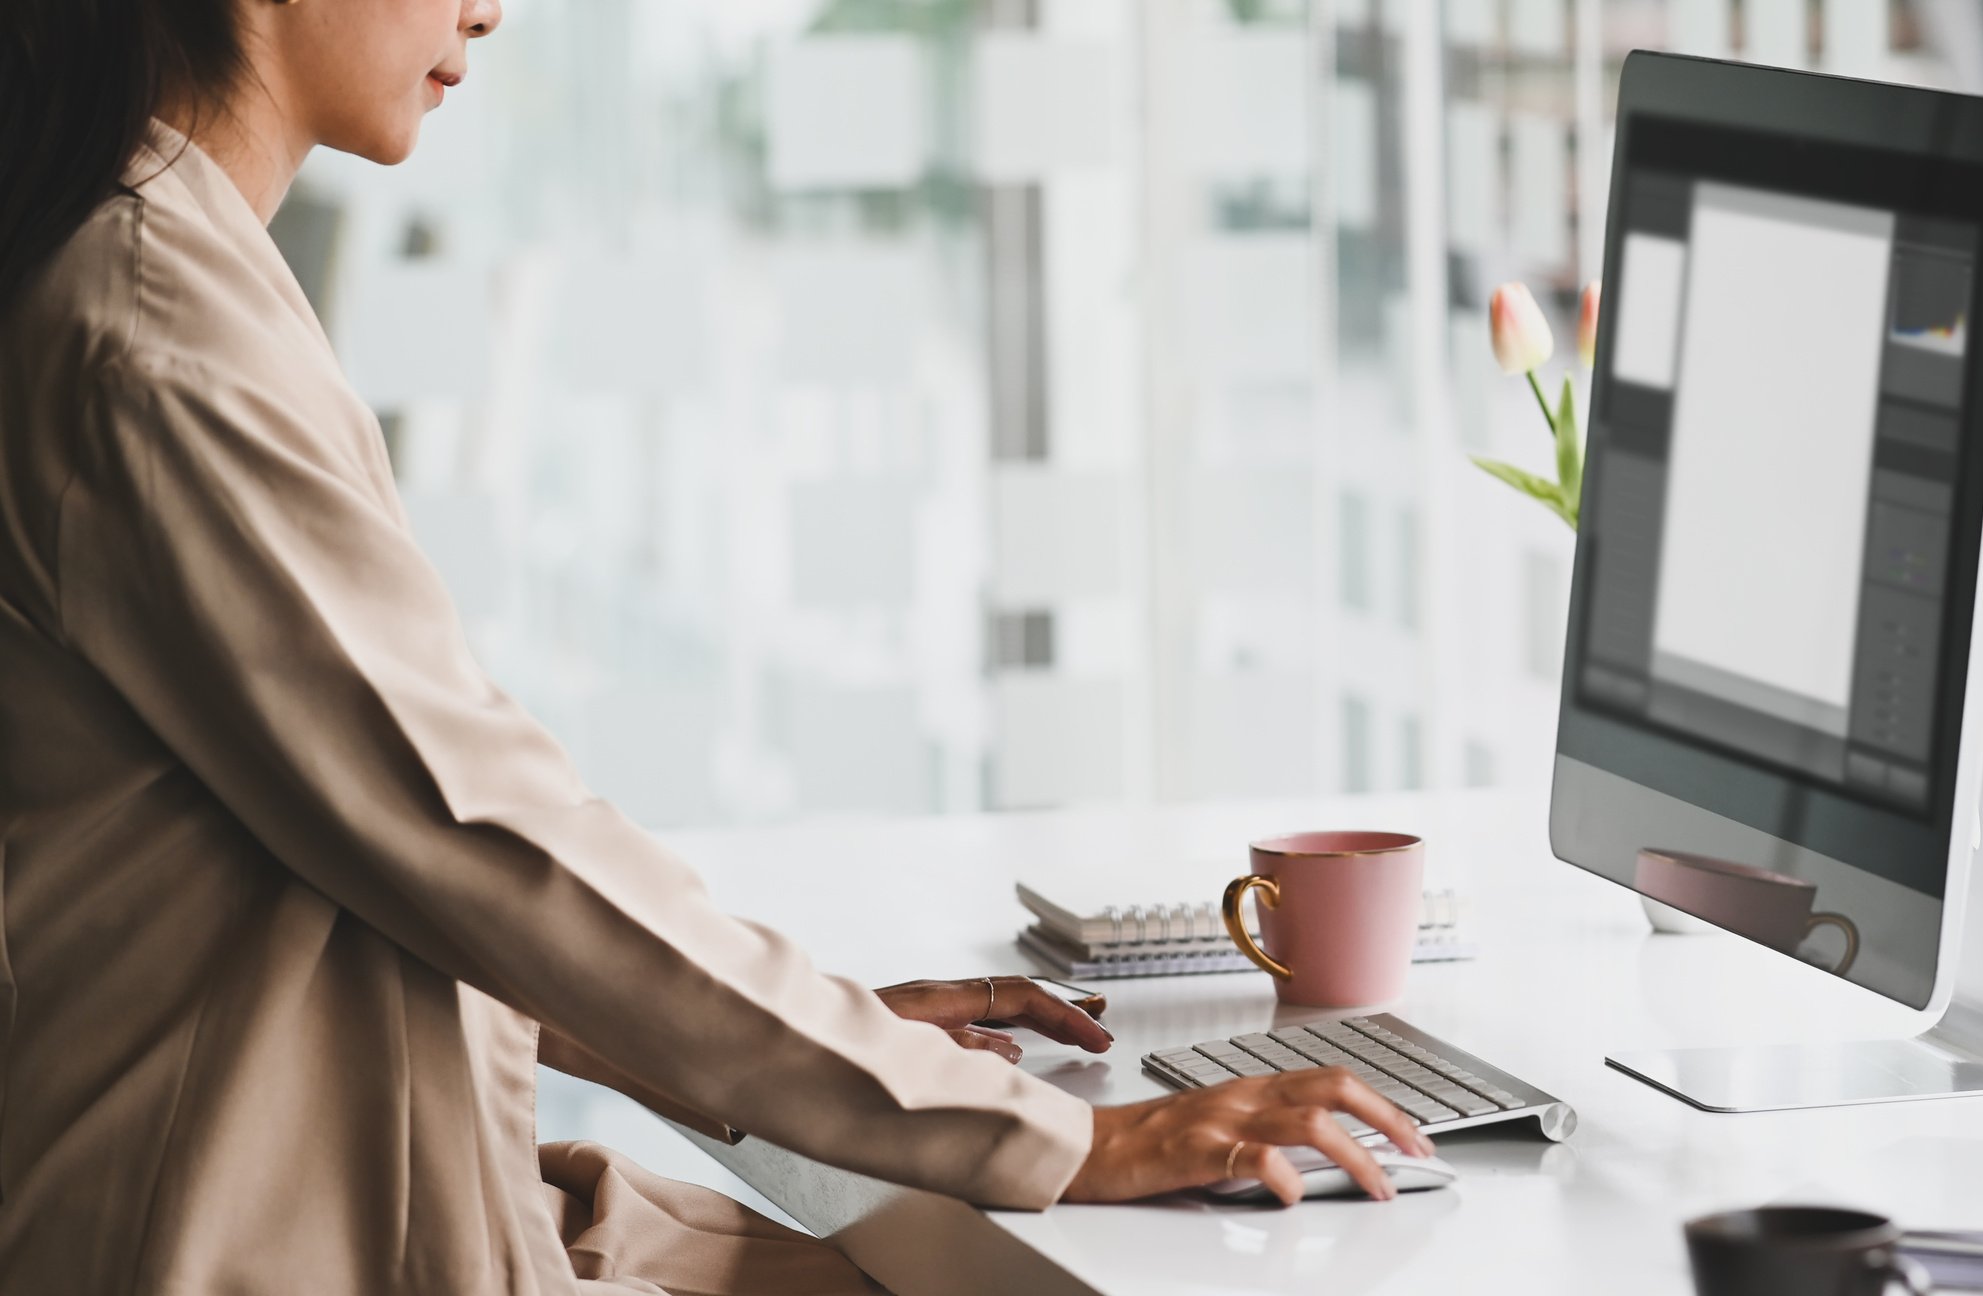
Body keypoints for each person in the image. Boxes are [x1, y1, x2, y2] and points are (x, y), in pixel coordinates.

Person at [0, 1, 1429, 1291]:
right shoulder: (155, 336)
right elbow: (486, 842)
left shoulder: (168, 271)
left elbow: (377, 868)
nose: (489, 13)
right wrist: (1052, 1136)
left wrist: (839, 1047)